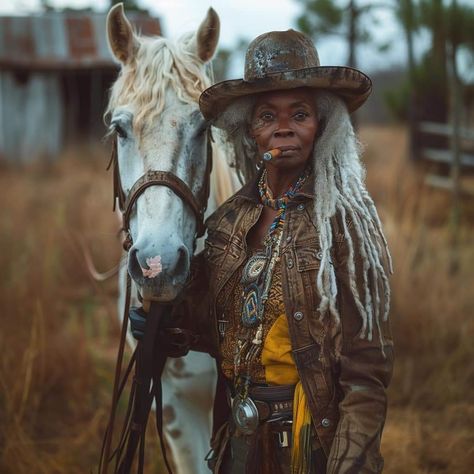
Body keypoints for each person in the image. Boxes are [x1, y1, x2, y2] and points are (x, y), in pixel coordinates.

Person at [164, 29, 393, 473]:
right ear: (248, 129)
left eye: (300, 114)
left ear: (321, 126)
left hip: (313, 446)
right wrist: (163, 315)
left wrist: (348, 465)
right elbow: (212, 330)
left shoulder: (346, 225)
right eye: (267, 115)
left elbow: (367, 377)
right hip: (237, 442)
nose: (283, 127)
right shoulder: (227, 222)